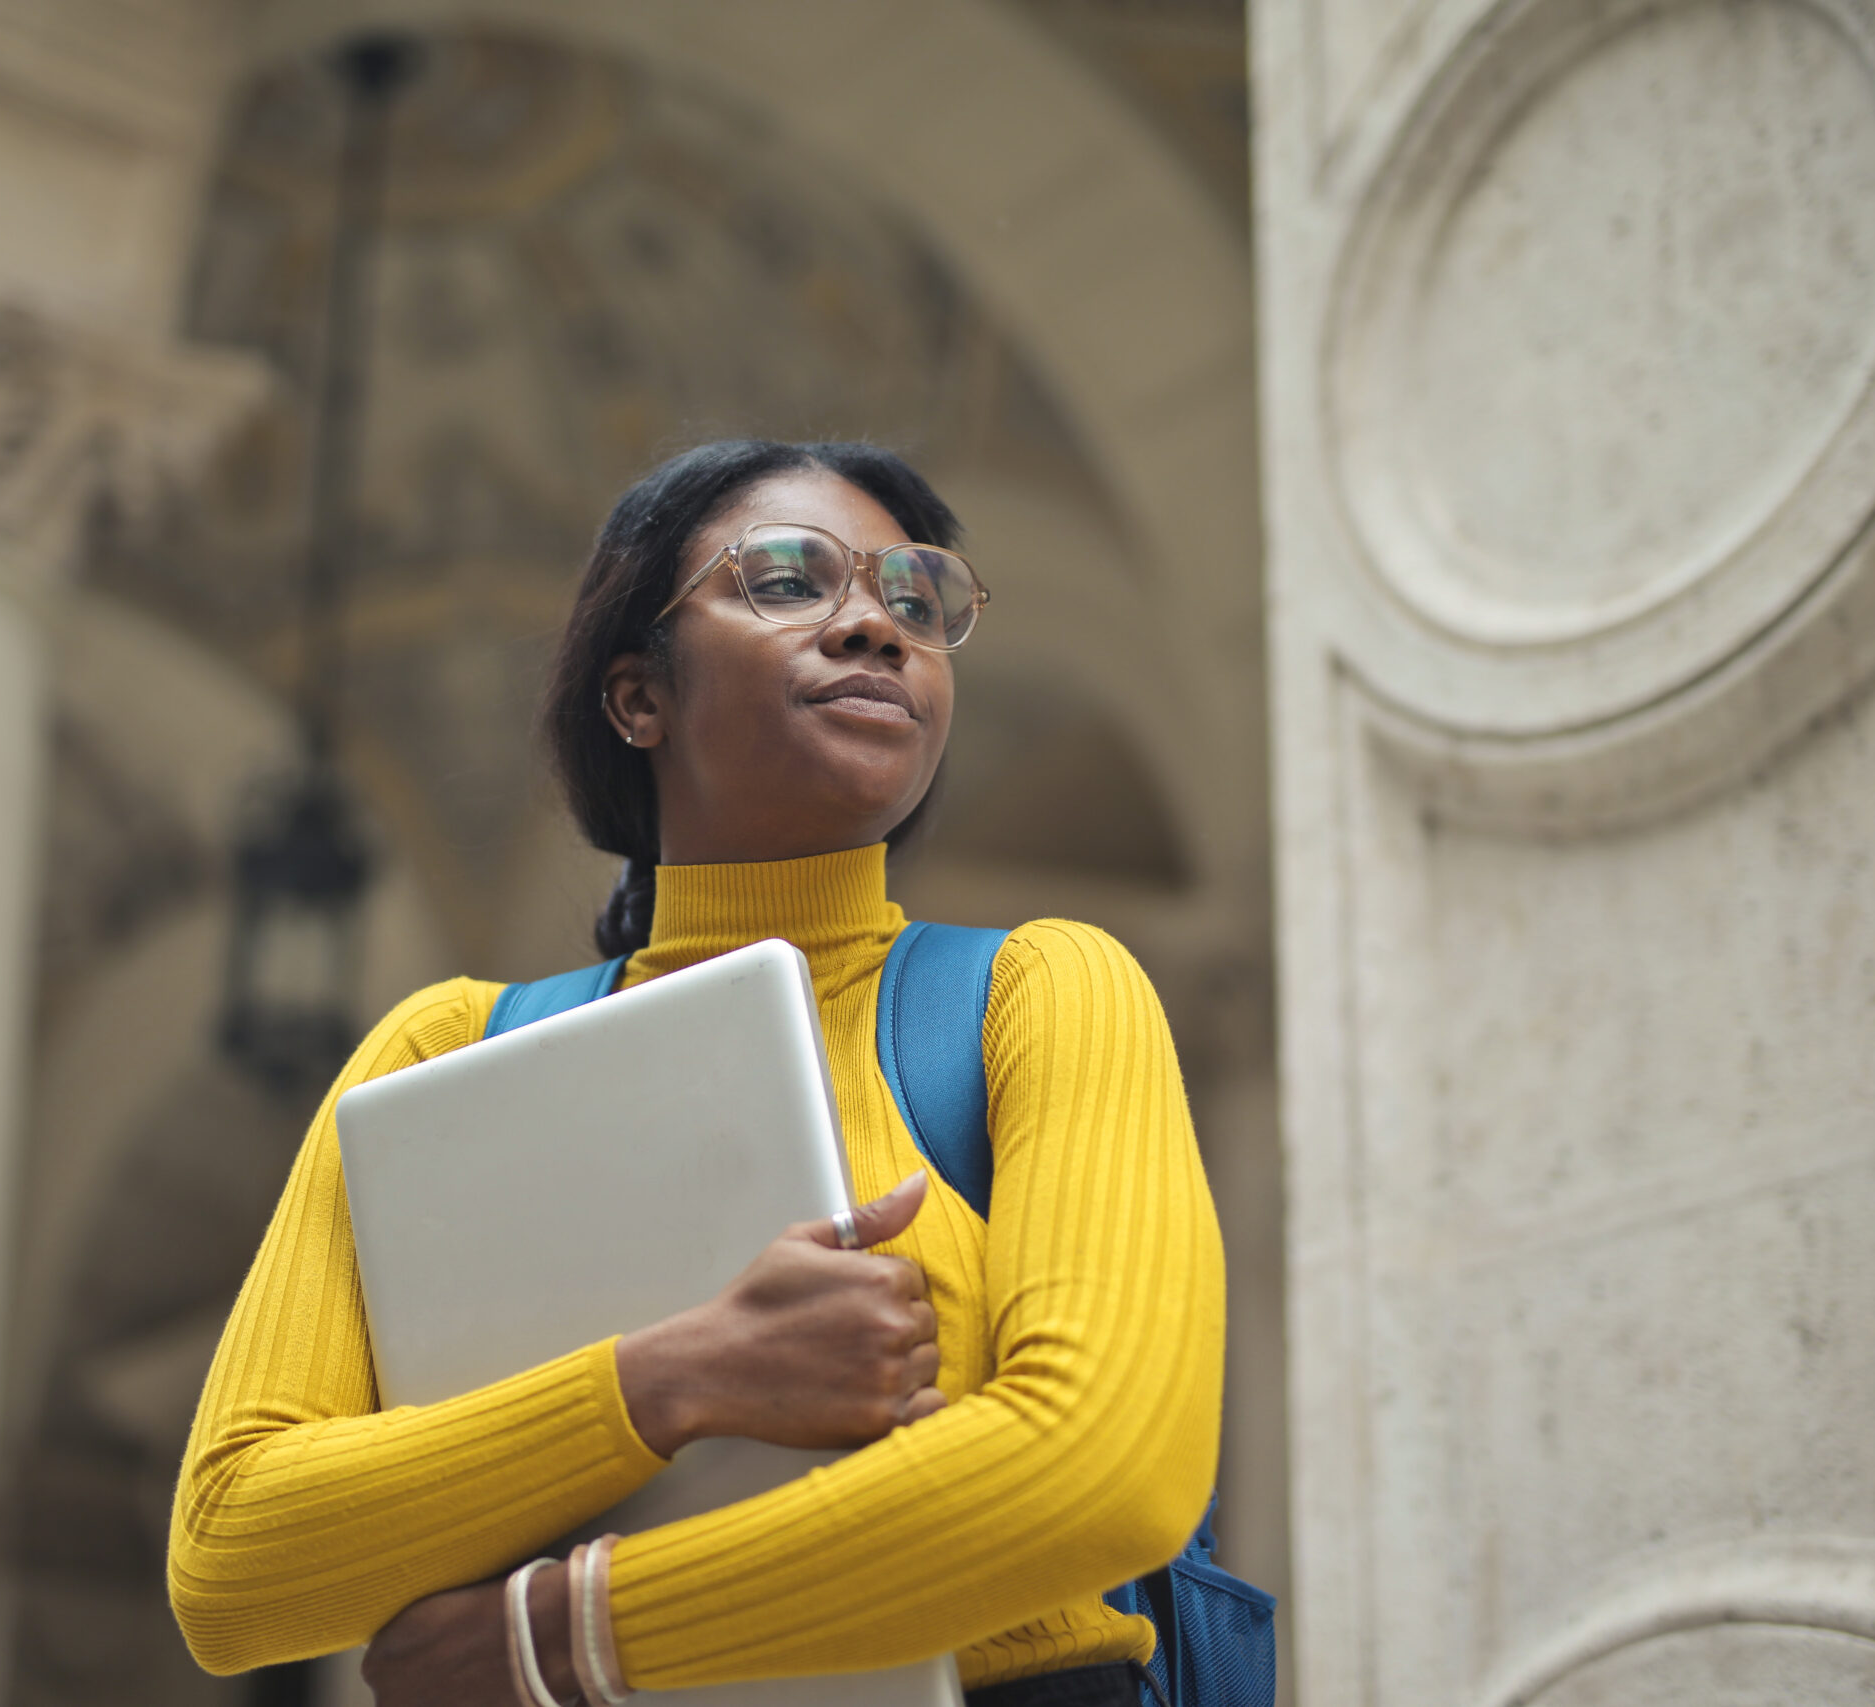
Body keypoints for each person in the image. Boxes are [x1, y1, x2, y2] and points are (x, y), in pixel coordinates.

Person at [169, 440, 1225, 1707]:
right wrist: (681, 1375)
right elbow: (232, 1561)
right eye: (785, 579)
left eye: (916, 600)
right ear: (636, 697)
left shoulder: (1041, 992)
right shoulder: (443, 1051)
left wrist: (564, 1638)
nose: (877, 630)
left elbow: (1106, 1475)